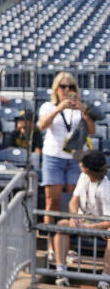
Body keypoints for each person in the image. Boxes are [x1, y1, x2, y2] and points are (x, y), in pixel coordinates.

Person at [38, 72, 95, 261]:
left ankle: (68, 245)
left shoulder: (81, 108)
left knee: (72, 202)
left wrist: (84, 111)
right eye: (63, 87)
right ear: (56, 89)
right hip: (53, 156)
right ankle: (50, 246)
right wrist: (58, 109)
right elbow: (42, 126)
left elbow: (92, 130)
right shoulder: (48, 106)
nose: (67, 90)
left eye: (71, 87)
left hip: (75, 156)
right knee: (51, 201)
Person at [52, 151, 110, 289]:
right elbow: (73, 201)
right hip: (82, 222)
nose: (79, 164)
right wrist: (74, 217)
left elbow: (109, 220)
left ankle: (104, 279)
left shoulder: (106, 188)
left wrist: (92, 227)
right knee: (61, 225)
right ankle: (61, 273)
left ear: (88, 169)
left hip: (102, 226)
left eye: (83, 164)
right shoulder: (83, 176)